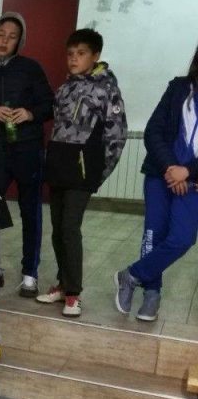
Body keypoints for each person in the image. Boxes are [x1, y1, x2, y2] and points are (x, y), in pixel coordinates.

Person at [38, 28, 127, 317]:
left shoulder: (106, 89)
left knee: (70, 228)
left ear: (95, 56)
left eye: (81, 53)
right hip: (59, 166)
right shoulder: (65, 88)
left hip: (83, 171)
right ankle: (63, 283)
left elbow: (117, 135)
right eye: (70, 54)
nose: (74, 59)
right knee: (57, 229)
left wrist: (97, 174)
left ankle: (74, 293)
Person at [114, 44, 198, 323]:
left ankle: (131, 275)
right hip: (161, 174)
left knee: (182, 239)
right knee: (153, 235)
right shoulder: (178, 88)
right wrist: (171, 168)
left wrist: (187, 172)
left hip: (193, 182)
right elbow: (153, 132)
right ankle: (152, 294)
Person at [0, 13, 54, 298]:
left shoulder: (31, 69)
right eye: (0, 34)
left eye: (12, 37)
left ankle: (30, 273)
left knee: (31, 211)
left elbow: (49, 104)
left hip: (27, 148)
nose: (4, 41)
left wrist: (30, 113)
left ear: (19, 42)